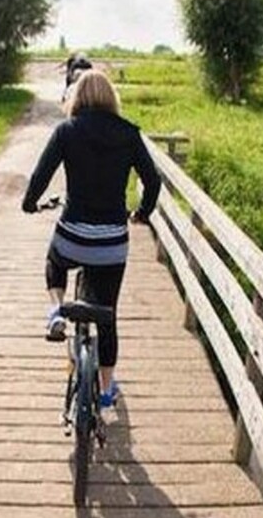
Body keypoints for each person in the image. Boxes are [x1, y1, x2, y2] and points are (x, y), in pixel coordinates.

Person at [22, 69, 162, 408]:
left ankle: (56, 311)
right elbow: (153, 181)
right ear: (112, 97)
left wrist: (29, 204)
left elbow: (41, 174)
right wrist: (142, 212)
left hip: (72, 236)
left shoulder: (67, 131)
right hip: (112, 243)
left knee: (54, 260)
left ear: (77, 97)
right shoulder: (129, 134)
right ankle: (105, 390)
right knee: (107, 313)